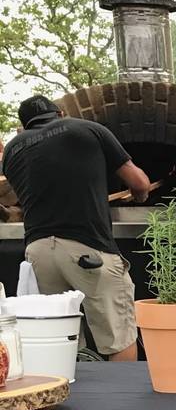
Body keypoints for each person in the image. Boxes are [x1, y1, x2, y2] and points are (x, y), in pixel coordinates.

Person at [1, 95, 150, 361]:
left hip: (38, 252)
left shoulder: (13, 150)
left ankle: (71, 397)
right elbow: (139, 183)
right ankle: (123, 400)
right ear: (60, 114)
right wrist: (139, 198)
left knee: (64, 338)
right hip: (87, 248)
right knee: (117, 336)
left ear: (23, 125)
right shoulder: (86, 128)